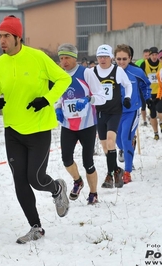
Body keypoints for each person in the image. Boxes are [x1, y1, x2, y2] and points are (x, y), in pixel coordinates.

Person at [0, 15, 71, 244]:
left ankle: (57, 189)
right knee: (20, 182)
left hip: (38, 128)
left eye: (6, 36)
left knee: (35, 178)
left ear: (17, 37)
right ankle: (36, 228)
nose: (2, 41)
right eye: (0, 36)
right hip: (12, 130)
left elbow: (63, 79)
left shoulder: (37, 57)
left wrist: (47, 98)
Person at [55, 43, 106, 204]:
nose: (64, 62)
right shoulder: (59, 75)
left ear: (74, 58)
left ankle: (93, 193)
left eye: (67, 58)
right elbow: (58, 96)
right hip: (68, 125)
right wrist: (57, 108)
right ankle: (77, 181)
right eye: (61, 58)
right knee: (66, 159)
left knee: (88, 161)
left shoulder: (87, 73)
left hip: (87, 125)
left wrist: (89, 100)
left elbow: (101, 96)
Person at [93, 44, 132, 189]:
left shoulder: (117, 70)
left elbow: (128, 85)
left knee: (111, 141)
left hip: (115, 111)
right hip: (100, 112)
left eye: (105, 57)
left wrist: (127, 98)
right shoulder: (92, 71)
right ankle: (117, 169)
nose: (102, 59)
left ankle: (110, 175)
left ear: (111, 58)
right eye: (100, 57)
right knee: (105, 148)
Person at [115, 45, 151, 184]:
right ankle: (126, 148)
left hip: (131, 111)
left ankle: (127, 172)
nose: (121, 62)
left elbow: (145, 85)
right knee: (118, 141)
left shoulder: (137, 72)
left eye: (124, 59)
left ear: (130, 58)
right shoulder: (111, 72)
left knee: (125, 138)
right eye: (118, 59)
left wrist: (147, 99)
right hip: (114, 112)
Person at [140, 47, 162, 140]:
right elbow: (141, 77)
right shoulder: (144, 64)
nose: (155, 57)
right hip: (149, 93)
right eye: (153, 55)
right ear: (149, 55)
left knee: (160, 109)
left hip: (160, 91)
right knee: (152, 113)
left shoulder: (161, 63)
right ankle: (155, 133)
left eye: (156, 55)